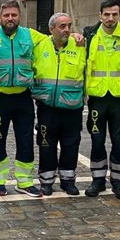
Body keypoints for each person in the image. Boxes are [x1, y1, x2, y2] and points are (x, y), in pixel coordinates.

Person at [0, 0, 48, 198]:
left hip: (23, 97)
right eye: (6, 15)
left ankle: (25, 181)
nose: (10, 18)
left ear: (19, 16)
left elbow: (55, 39)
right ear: (0, 17)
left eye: (14, 15)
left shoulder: (31, 35)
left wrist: (74, 36)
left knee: (26, 138)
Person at [83, 0, 120, 199]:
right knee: (97, 141)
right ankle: (97, 180)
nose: (110, 18)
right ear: (100, 15)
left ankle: (118, 181)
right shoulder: (89, 35)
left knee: (118, 141)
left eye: (114, 14)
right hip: (97, 97)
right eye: (106, 14)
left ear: (119, 14)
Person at [31, 13, 86, 196]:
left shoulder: (80, 45)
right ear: (51, 29)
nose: (67, 30)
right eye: (62, 26)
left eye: (69, 25)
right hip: (47, 106)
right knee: (46, 143)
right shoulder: (39, 45)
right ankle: (46, 181)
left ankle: (68, 181)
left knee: (71, 144)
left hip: (72, 106)